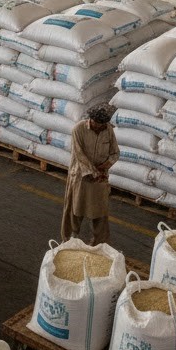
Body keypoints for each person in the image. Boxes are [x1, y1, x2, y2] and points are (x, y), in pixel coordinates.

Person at [61, 103, 120, 245]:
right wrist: (94, 172)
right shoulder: (79, 129)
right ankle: (69, 240)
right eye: (97, 124)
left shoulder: (108, 130)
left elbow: (115, 153)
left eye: (103, 125)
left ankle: (100, 243)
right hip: (81, 176)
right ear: (90, 119)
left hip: (100, 178)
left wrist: (104, 167)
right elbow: (79, 154)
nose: (100, 127)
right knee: (75, 209)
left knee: (99, 213)